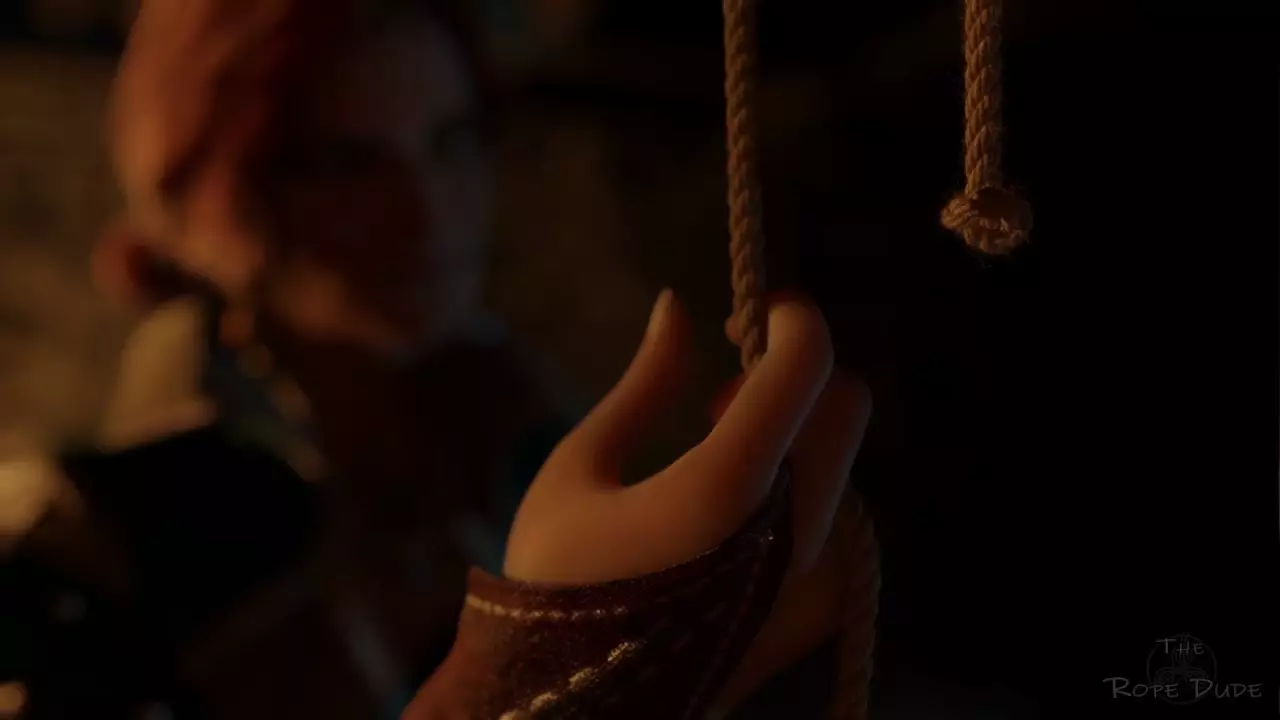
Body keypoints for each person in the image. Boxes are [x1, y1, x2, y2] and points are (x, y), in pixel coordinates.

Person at [3, 0, 873, 717]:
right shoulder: (93, 542)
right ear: (224, 193)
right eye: (347, 163)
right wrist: (549, 664)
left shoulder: (531, 446)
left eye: (451, 141)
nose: (427, 213)